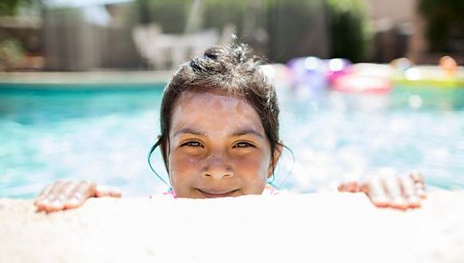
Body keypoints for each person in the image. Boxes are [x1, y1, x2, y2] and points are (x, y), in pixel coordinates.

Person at [34, 39, 426, 213]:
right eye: (192, 144)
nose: (216, 167)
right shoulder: (144, 211)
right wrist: (80, 197)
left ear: (273, 159)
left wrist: (374, 186)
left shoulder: (298, 211)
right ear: (165, 151)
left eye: (242, 145)